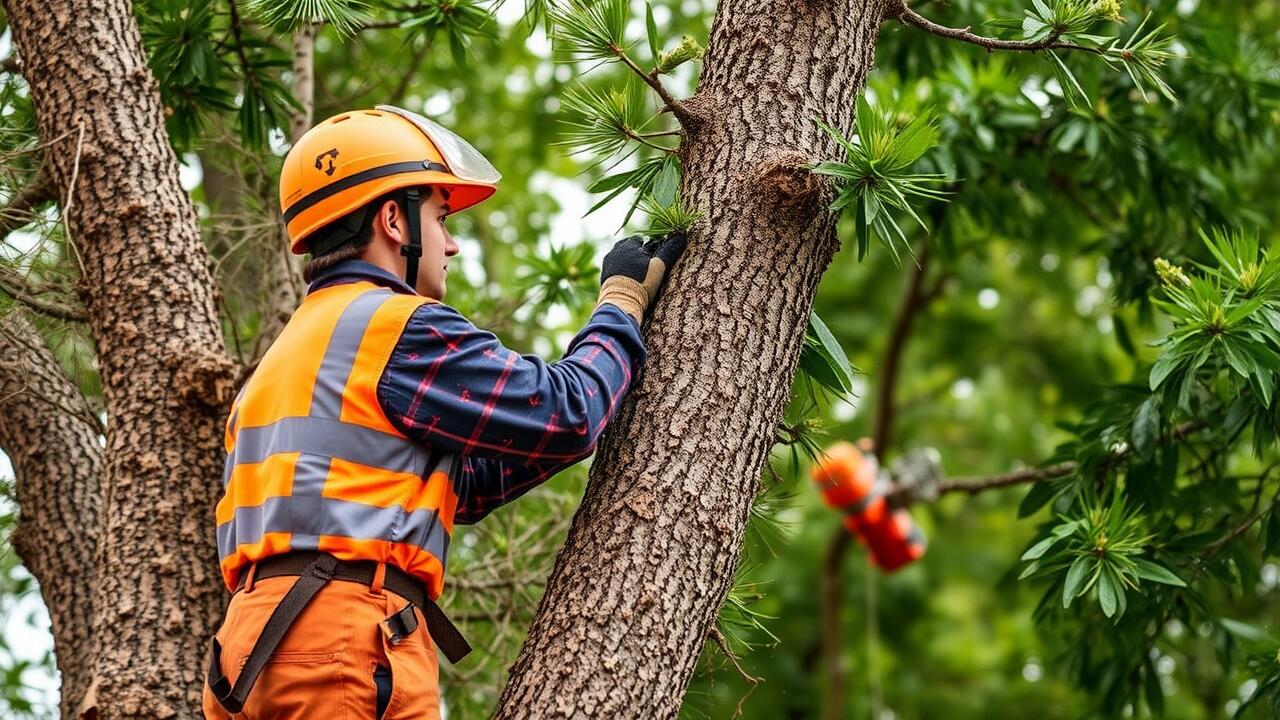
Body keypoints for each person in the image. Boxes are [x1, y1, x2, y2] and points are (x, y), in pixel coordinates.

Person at [203, 105, 686, 719]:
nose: (452, 243)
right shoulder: (395, 328)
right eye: (439, 216)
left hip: (247, 653)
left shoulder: (288, 357)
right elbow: (567, 412)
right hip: (342, 641)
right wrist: (621, 303)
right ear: (392, 221)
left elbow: (458, 486)